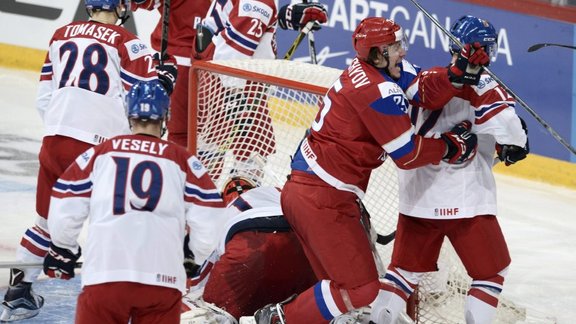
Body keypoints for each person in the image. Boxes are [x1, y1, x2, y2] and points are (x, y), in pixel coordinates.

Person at [253, 17, 488, 324]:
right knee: (362, 290)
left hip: (313, 192)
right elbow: (407, 154)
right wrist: (451, 147)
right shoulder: (377, 91)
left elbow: (424, 89)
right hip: (321, 200)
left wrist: (456, 75)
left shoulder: (371, 69)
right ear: (377, 54)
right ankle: (279, 319)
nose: (402, 52)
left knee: (343, 292)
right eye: (395, 47)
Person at [0, 0, 177, 321]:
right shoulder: (128, 43)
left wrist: (62, 125)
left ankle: (18, 294)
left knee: (44, 223)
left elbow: (44, 98)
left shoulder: (60, 34)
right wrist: (165, 79)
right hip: (97, 150)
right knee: (114, 222)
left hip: (54, 139)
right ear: (121, 7)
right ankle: (116, 297)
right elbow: (142, 107)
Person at [371, 15, 529, 324]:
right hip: (467, 203)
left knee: (402, 274)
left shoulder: (423, 77)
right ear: (487, 50)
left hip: (417, 199)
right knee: (490, 273)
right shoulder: (484, 84)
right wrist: (516, 142)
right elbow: (511, 132)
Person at [41, 80, 225, 324]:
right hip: (163, 279)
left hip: (106, 274)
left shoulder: (102, 152)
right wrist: (193, 255)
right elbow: (210, 214)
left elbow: (67, 197)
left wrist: (64, 247)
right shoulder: (182, 159)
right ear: (165, 116)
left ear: (130, 115)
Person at [191, 1, 328, 185]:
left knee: (212, 151)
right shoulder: (258, 2)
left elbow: (239, 21)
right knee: (250, 155)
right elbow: (230, 58)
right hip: (235, 85)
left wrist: (282, 17)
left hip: (217, 78)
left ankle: (199, 199)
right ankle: (230, 204)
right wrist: (235, 100)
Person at [180, 176, 317, 323]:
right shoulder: (273, 191)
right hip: (304, 244)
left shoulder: (219, 217)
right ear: (254, 188)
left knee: (204, 310)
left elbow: (202, 276)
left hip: (248, 249)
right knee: (319, 306)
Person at [130, 0, 213, 148]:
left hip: (179, 63)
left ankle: (179, 168)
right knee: (210, 135)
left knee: (181, 133)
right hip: (214, 65)